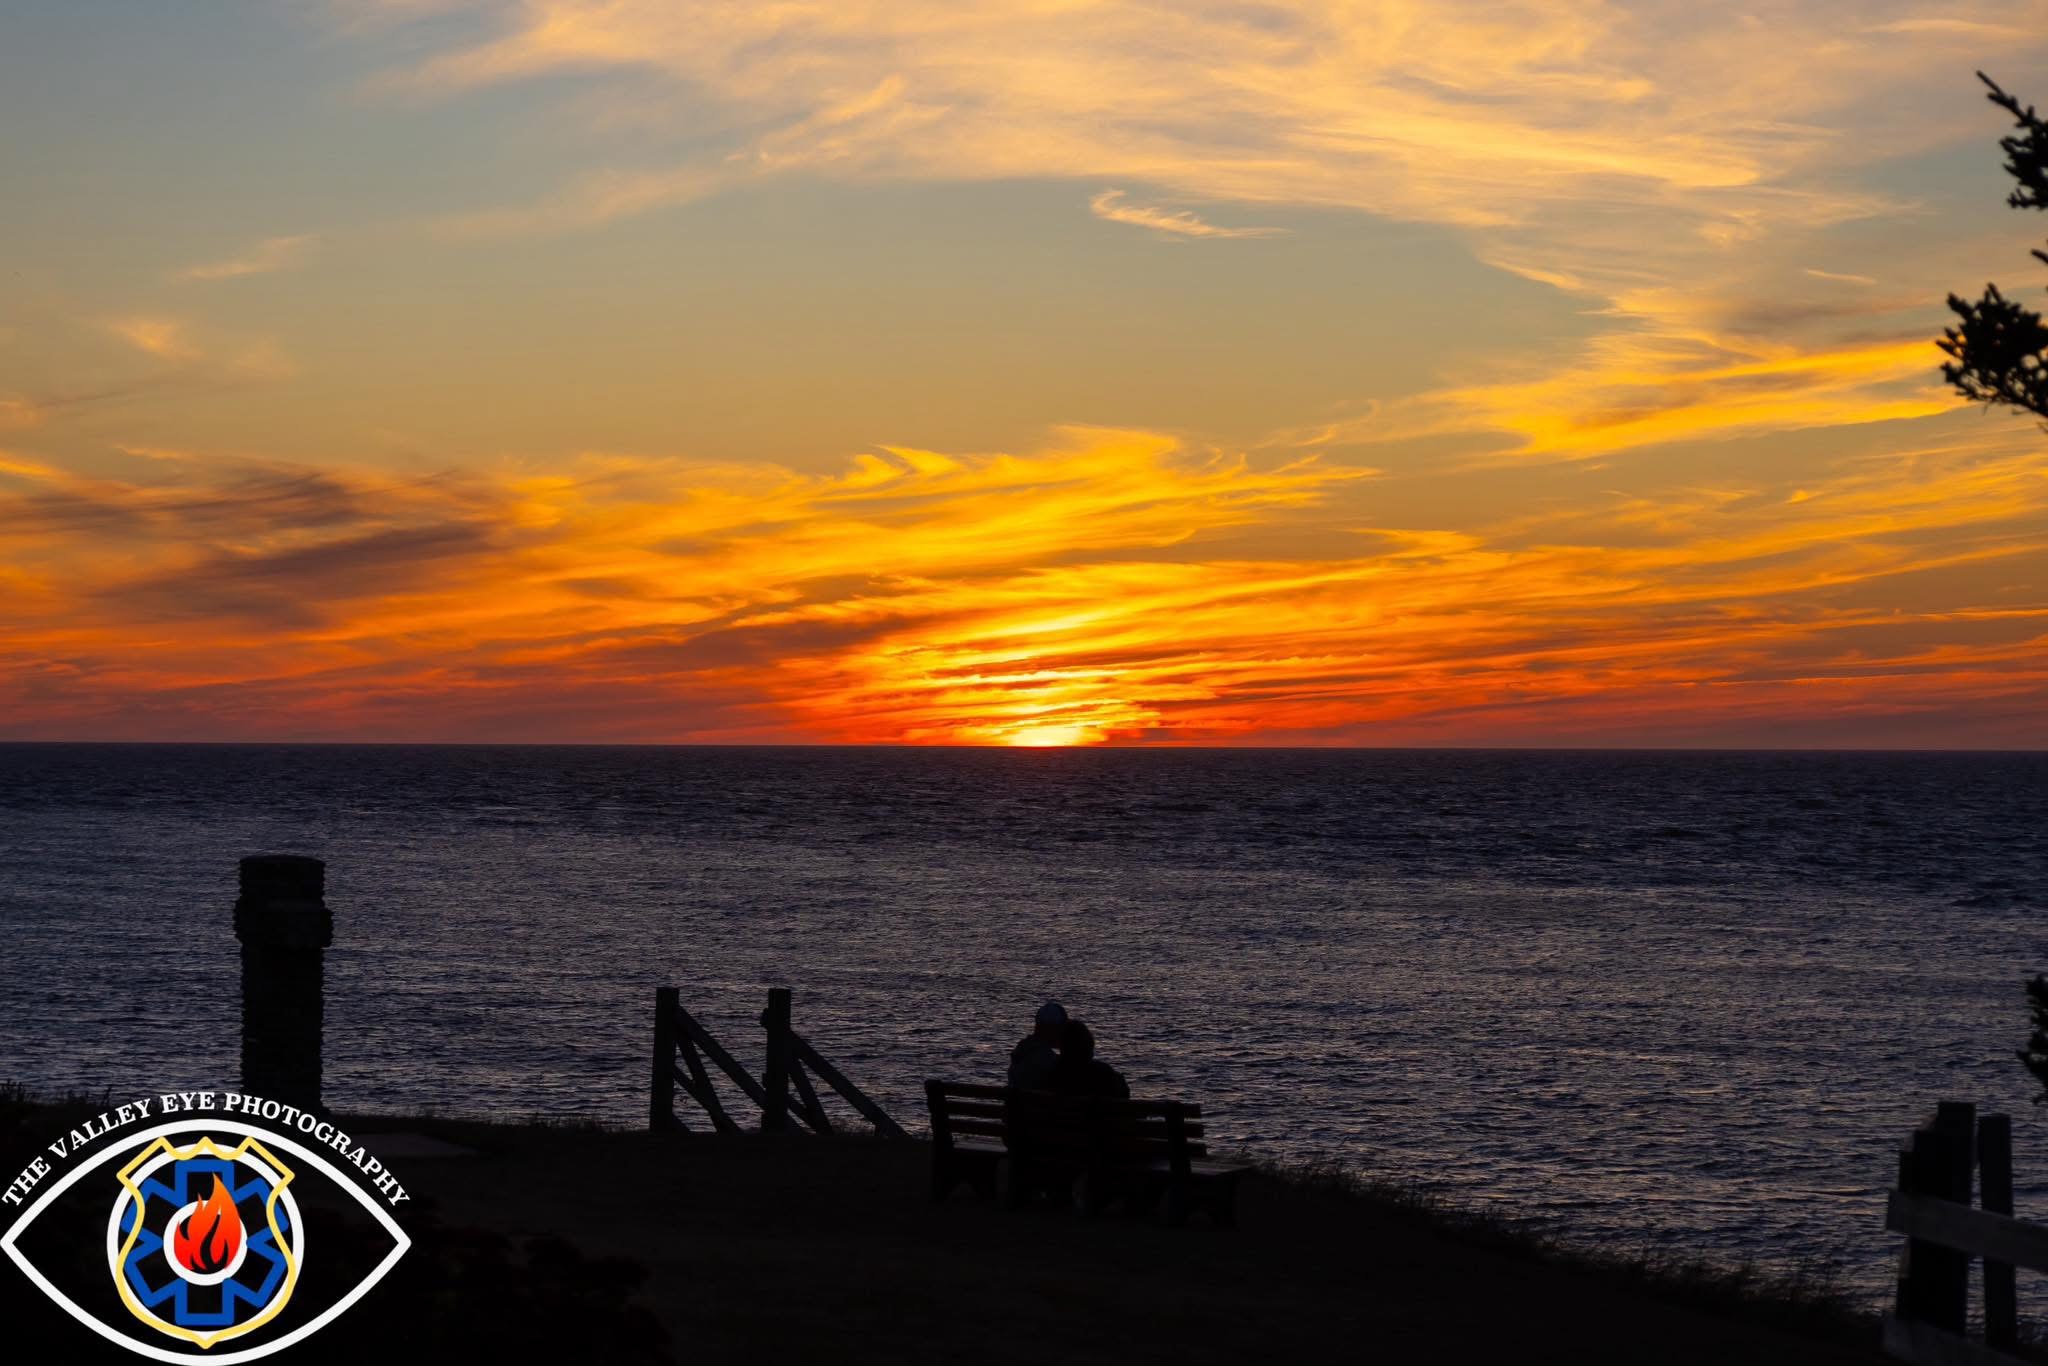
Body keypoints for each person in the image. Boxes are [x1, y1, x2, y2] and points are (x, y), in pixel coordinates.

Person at [1047, 1019, 1129, 1100]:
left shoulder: (1053, 1076)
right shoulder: (1104, 1074)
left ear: (1062, 1047)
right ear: (1089, 1046)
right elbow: (1124, 1095)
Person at [1007, 1000, 1066, 1089]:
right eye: (1062, 1028)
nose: (1064, 1033)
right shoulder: (1047, 1059)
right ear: (1054, 1029)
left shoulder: (1022, 1050)